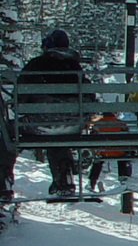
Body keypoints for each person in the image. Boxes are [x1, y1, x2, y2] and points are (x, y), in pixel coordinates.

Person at [17, 28, 87, 197]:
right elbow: (88, 95)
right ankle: (65, 179)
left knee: (7, 134)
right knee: (58, 137)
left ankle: (4, 181)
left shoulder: (36, 65)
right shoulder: (75, 67)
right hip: (73, 125)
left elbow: (20, 97)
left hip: (40, 123)